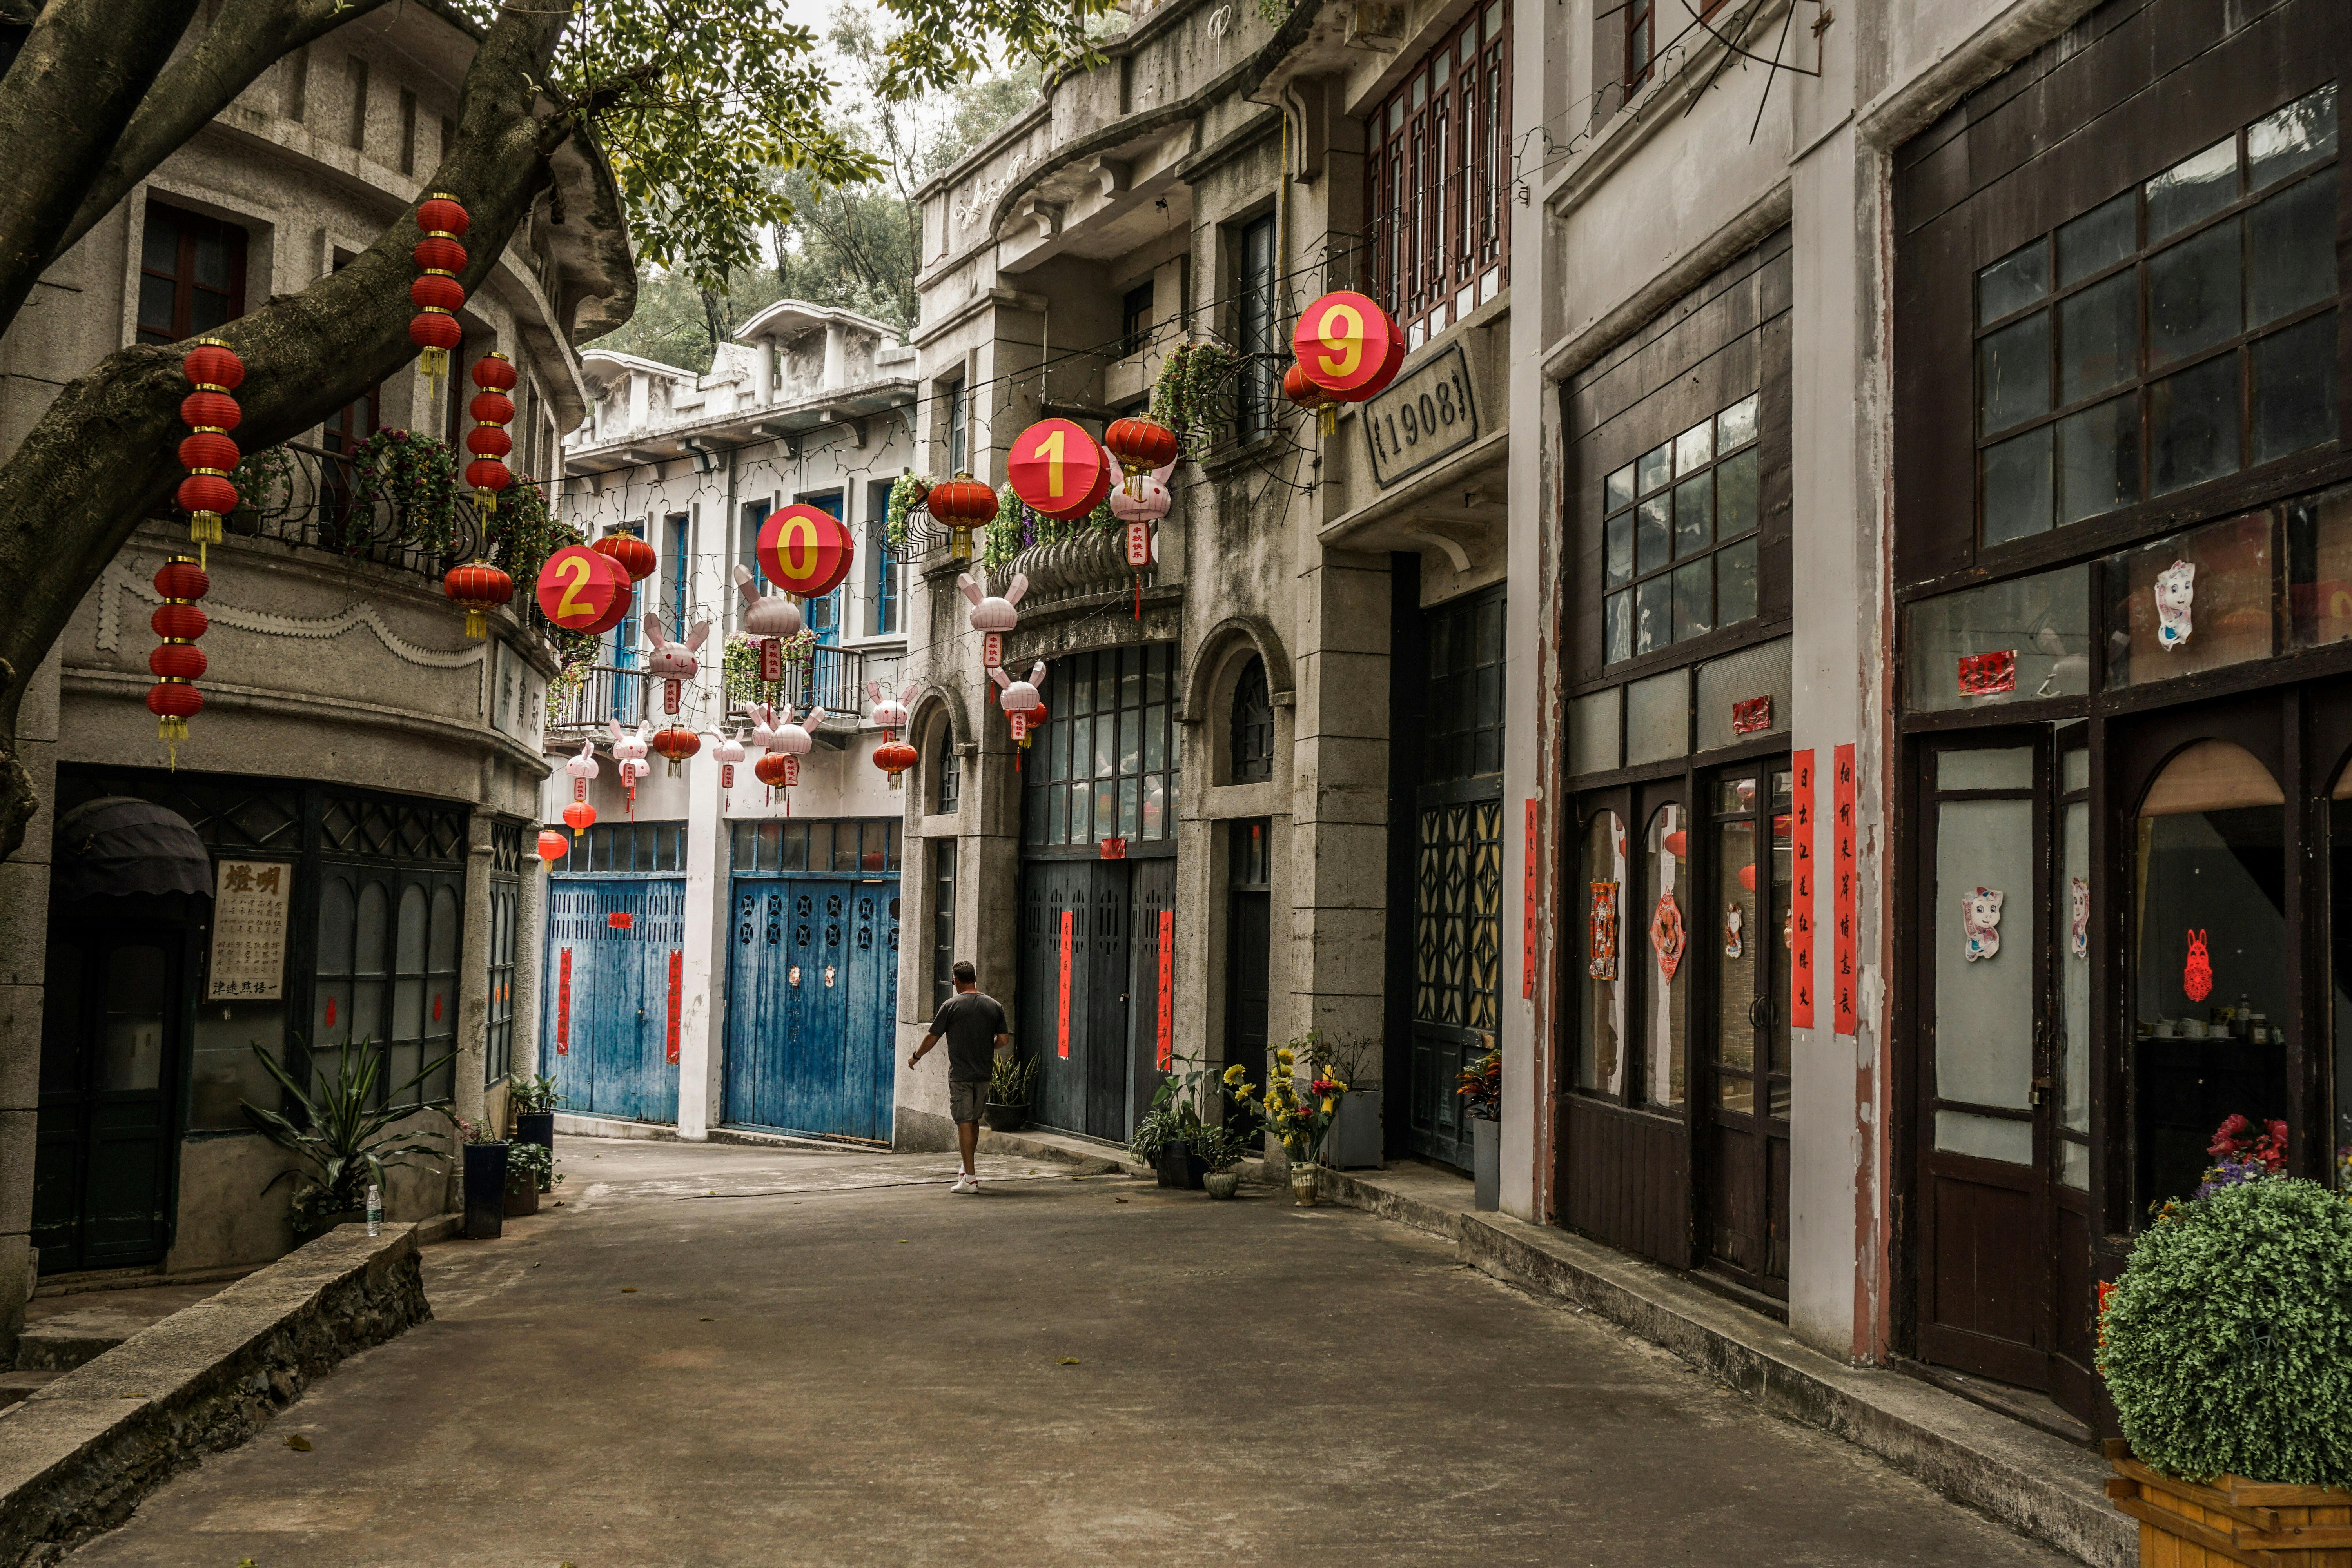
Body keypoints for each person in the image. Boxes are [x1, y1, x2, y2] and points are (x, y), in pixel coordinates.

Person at [907, 959, 1011, 1194]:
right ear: (975, 978)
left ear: (955, 981)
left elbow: (932, 1037)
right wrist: (986, 1047)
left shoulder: (950, 1006)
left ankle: (971, 1180)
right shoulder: (994, 1005)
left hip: (961, 1075)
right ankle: (966, 1169)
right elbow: (1004, 1040)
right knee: (973, 1121)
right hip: (984, 1074)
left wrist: (916, 1056)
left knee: (964, 1123)